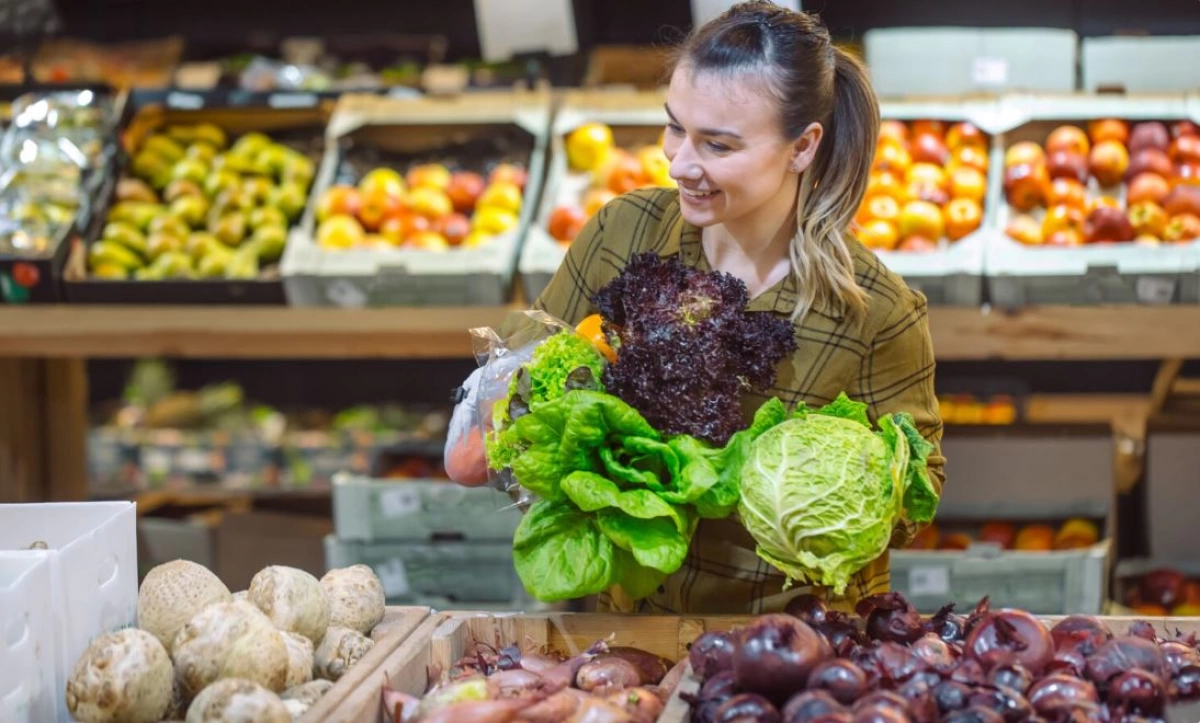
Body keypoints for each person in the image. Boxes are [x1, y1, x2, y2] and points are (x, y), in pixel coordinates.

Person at [447, 1, 945, 615]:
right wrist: (529, 399)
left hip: (795, 645)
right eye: (675, 126)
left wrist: (802, 493)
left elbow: (916, 495)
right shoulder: (623, 233)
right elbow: (502, 402)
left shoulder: (876, 313)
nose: (680, 163)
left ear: (802, 146)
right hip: (629, 629)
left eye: (718, 144)